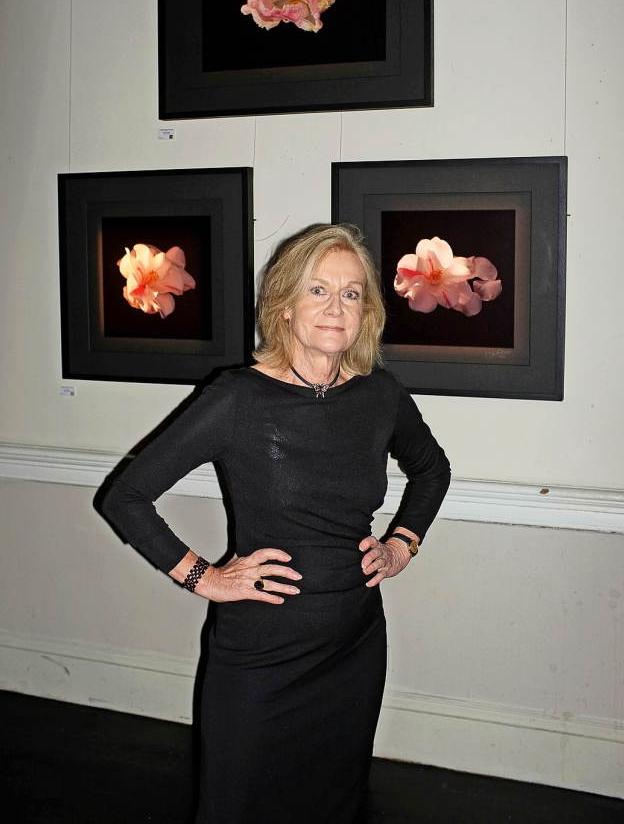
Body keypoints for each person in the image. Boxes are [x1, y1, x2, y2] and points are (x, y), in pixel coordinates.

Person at [102, 224, 450, 824]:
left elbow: (433, 470)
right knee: (237, 804)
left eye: (352, 293)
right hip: (260, 656)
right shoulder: (237, 398)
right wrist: (203, 578)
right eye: (319, 290)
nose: (336, 308)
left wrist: (401, 544)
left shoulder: (380, 396)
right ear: (285, 305)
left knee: (334, 801)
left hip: (353, 646)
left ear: (367, 310)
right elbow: (126, 496)